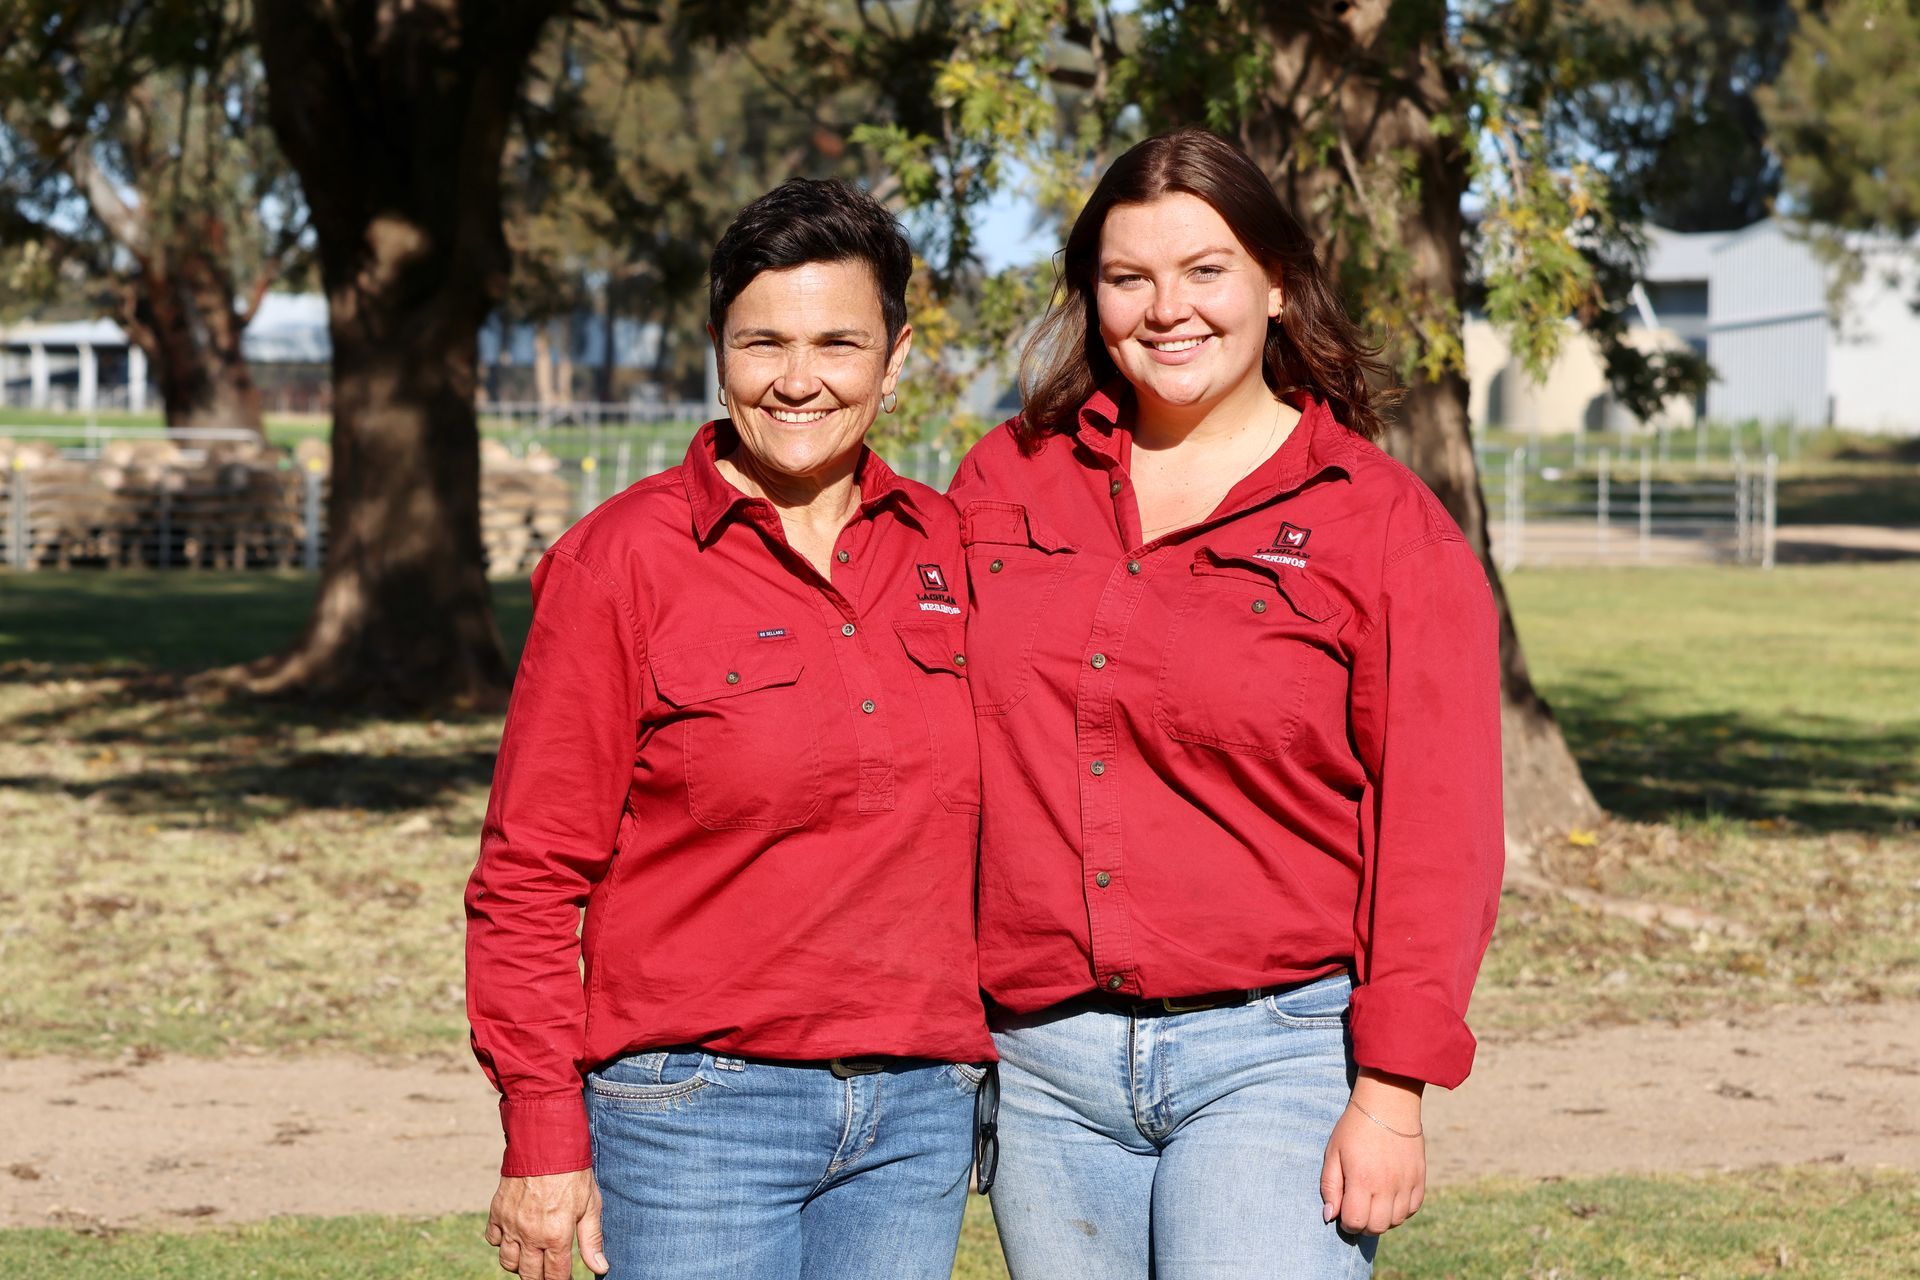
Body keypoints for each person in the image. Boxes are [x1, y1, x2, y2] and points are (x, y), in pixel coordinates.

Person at [946, 127, 1504, 1278]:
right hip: (1043, 1064)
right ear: (1091, 294)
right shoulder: (1006, 479)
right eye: (1129, 277)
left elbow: (1439, 832)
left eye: (1206, 270)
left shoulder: (1379, 523)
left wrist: (1391, 1091)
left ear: (1277, 282)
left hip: (1275, 1055)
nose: (1168, 309)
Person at [466, 177, 992, 1280]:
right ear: (718, 352)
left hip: (919, 1111)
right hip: (693, 1114)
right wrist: (543, 1130)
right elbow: (528, 874)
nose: (799, 379)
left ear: (895, 358)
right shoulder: (620, 563)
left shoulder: (951, 548)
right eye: (763, 343)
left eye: (838, 343)